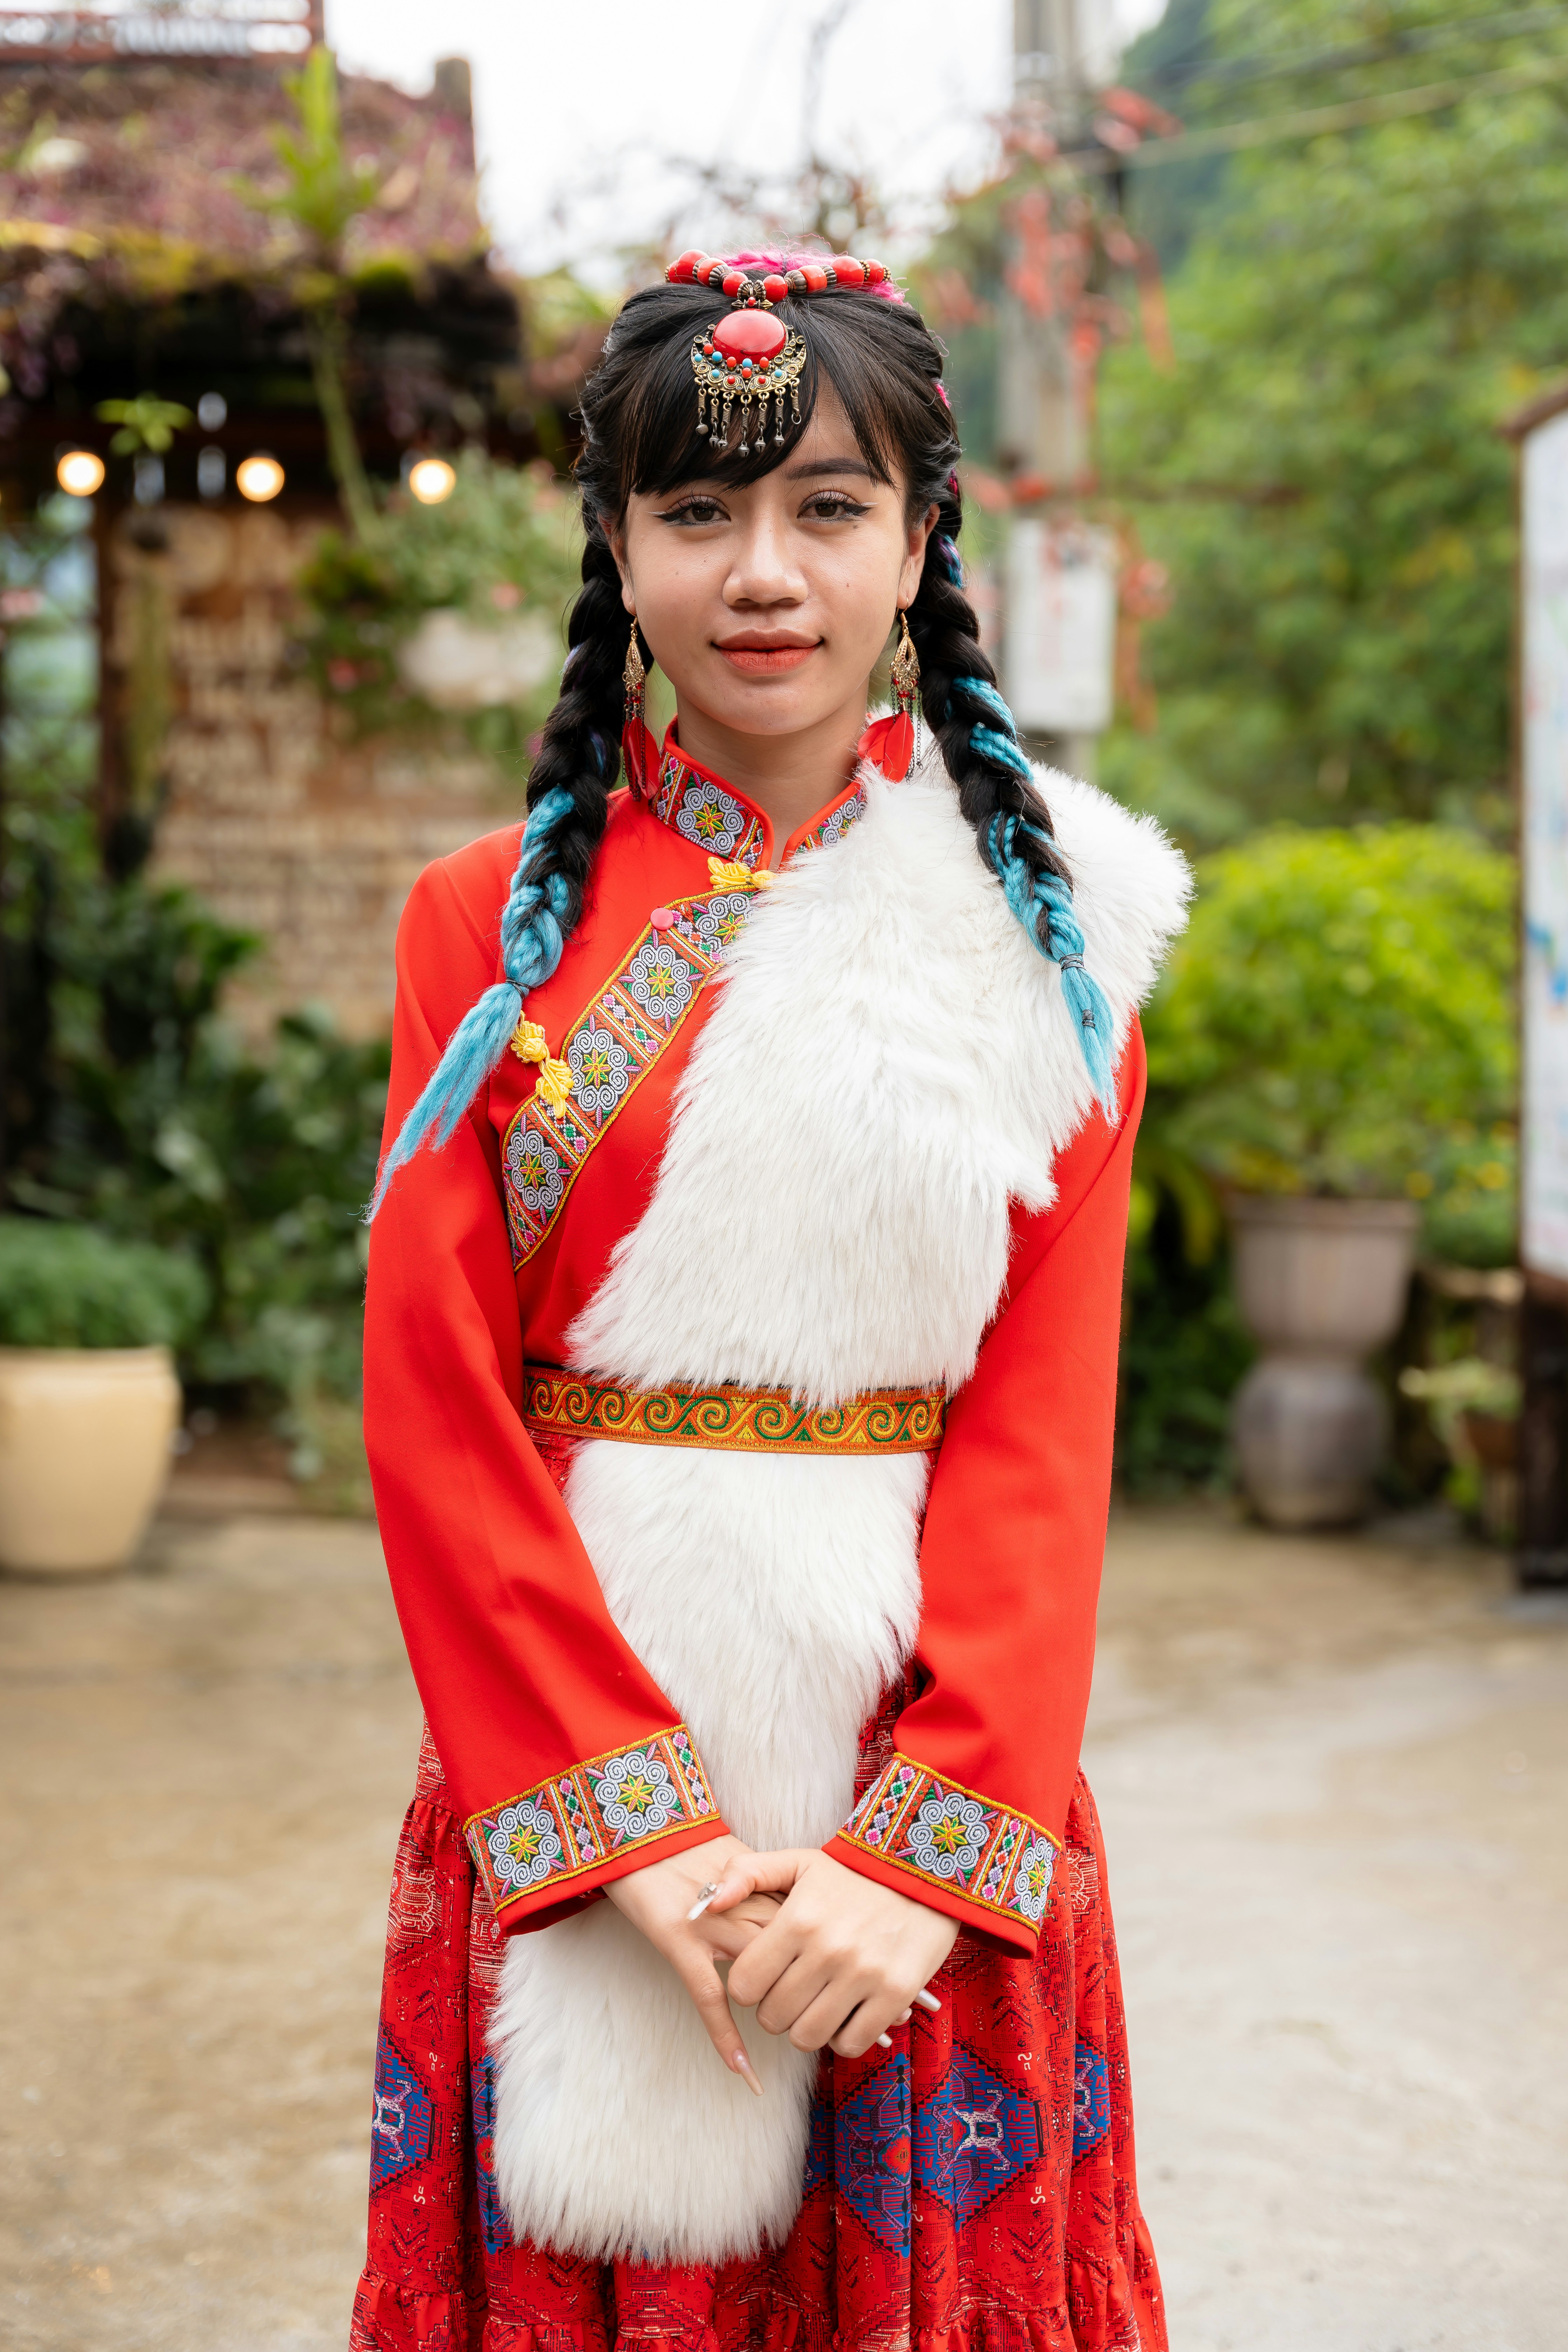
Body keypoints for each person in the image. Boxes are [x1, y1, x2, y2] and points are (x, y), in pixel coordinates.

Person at [352, 248, 1189, 2352]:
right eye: (696, 511)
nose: (763, 573)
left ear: (921, 543)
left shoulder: (1048, 941)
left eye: (827, 507)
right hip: (580, 1801)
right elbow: (436, 1401)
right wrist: (626, 1840)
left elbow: (1043, 1432)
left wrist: (916, 1864)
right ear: (615, 548)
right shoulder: (483, 931)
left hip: (926, 1825)